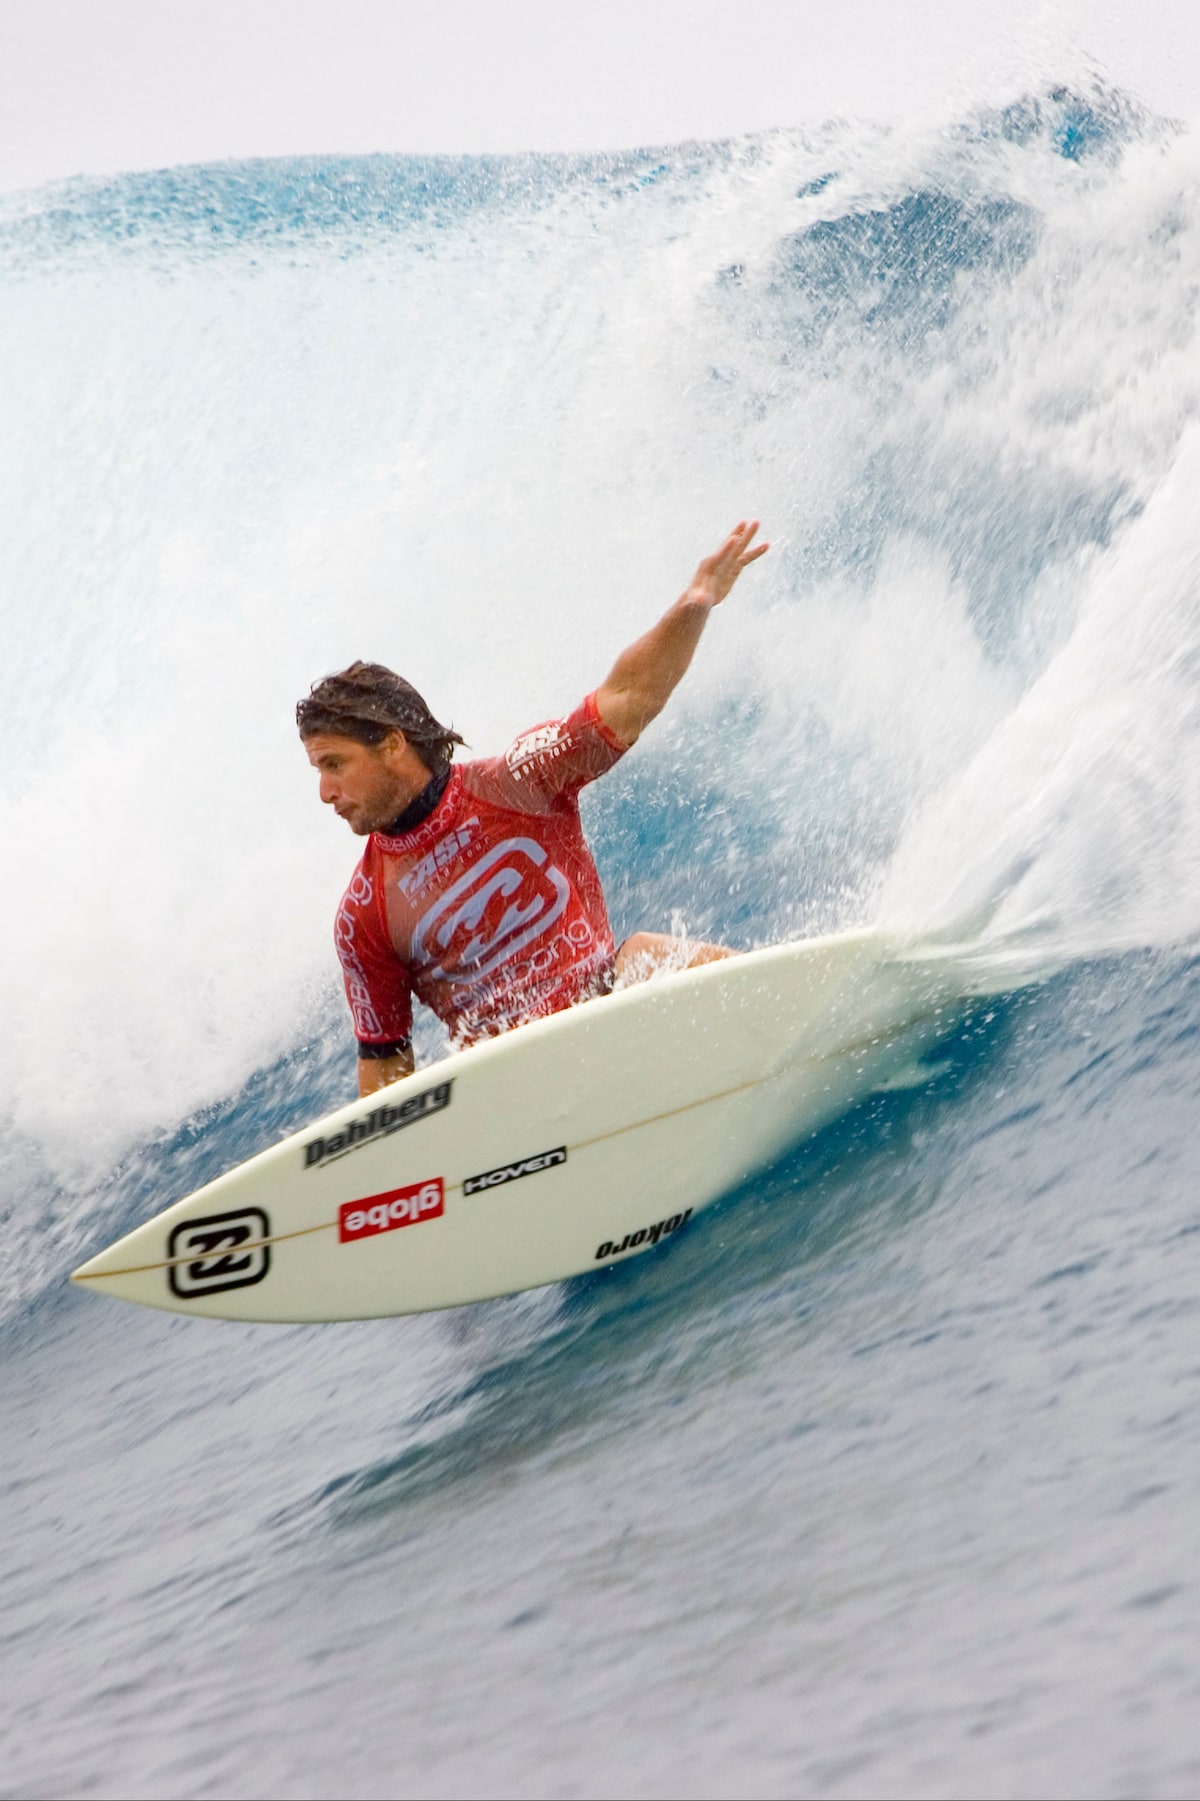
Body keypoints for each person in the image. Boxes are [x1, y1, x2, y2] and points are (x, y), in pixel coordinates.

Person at [299, 520, 769, 1095]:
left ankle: (795, 1025)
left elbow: (626, 699)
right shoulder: (364, 915)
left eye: (333, 764)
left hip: (609, 1025)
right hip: (516, 1094)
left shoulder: (517, 782)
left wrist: (695, 604)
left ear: (391, 744)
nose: (324, 792)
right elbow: (385, 1071)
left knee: (646, 955)